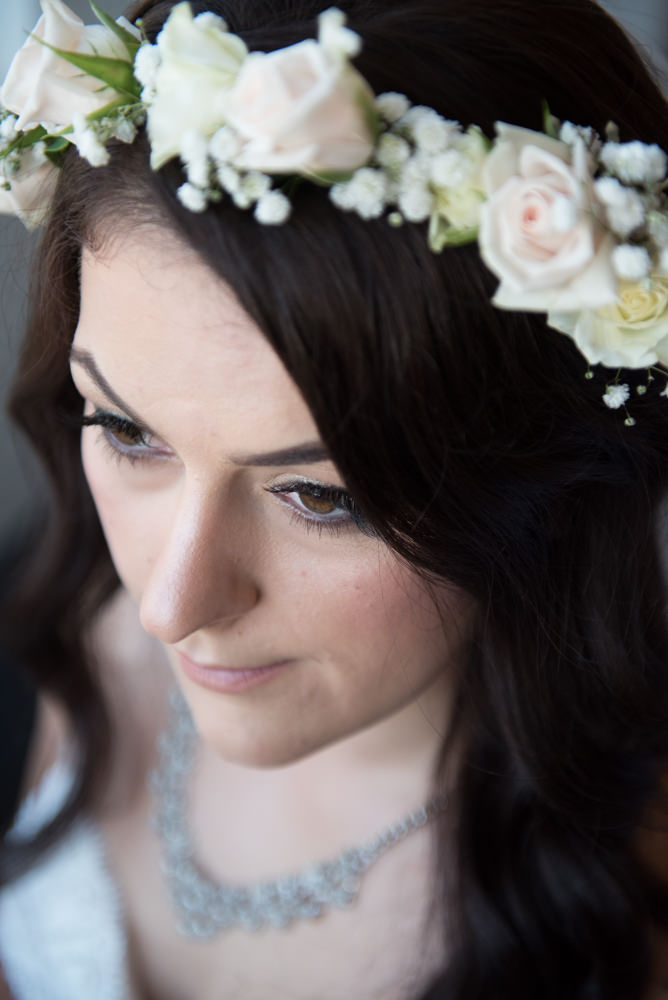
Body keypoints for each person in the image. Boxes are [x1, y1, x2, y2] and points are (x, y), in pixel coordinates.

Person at [1, 0, 668, 996]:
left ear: (542, 471)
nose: (169, 605)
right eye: (128, 430)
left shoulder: (625, 919)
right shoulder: (47, 630)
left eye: (317, 495)